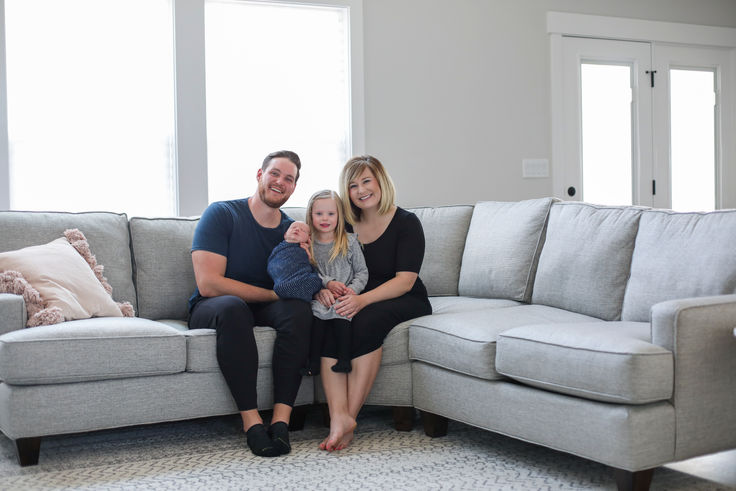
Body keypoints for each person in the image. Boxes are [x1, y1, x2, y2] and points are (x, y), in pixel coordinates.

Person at [187, 150, 312, 458]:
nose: (280, 182)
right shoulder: (222, 213)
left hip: (262, 309)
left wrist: (310, 262)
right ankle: (252, 422)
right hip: (214, 306)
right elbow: (209, 283)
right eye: (274, 173)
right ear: (260, 175)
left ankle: (281, 421)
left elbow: (299, 284)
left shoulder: (291, 231)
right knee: (233, 307)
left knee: (298, 311)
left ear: (294, 187)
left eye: (289, 179)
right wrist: (272, 295)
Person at [319, 155, 432, 452]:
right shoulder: (344, 224)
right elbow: (322, 261)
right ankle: (338, 417)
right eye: (353, 185)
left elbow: (405, 280)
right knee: (331, 321)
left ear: (381, 181)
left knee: (366, 321)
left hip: (403, 296)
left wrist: (361, 301)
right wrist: (326, 290)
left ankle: (349, 417)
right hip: (357, 294)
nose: (361, 190)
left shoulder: (406, 222)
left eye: (366, 181)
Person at [300, 189, 368, 376]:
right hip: (322, 296)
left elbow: (362, 272)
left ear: (339, 216)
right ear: (310, 215)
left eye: (331, 214)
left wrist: (352, 290)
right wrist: (327, 284)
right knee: (316, 320)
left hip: (345, 296)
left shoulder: (349, 242)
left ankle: (344, 361)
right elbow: (308, 272)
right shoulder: (308, 244)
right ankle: (313, 363)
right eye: (319, 214)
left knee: (342, 318)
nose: (325, 218)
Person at [267, 221, 323, 303]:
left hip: (299, 277)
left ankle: (294, 291)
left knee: (316, 280)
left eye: (303, 230)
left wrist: (309, 255)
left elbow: (309, 266)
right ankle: (290, 289)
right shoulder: (279, 248)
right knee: (315, 281)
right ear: (285, 234)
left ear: (308, 238)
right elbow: (272, 263)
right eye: (293, 227)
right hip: (283, 279)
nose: (297, 229)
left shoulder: (305, 250)